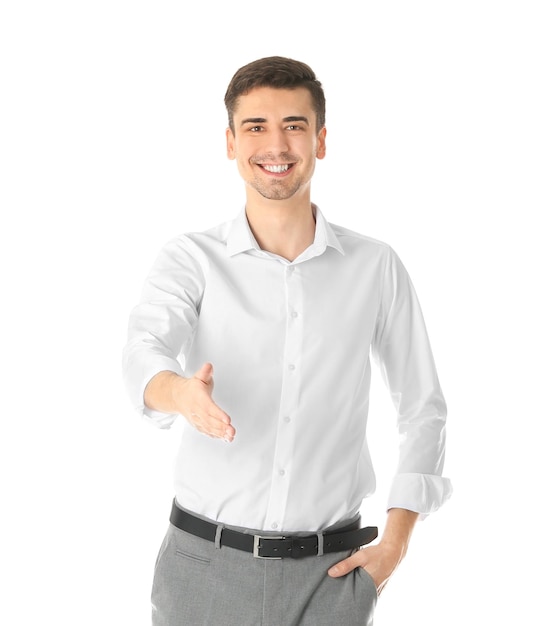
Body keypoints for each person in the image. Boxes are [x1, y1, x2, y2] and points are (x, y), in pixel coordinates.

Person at [122, 56, 452, 626]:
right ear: (230, 142)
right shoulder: (190, 258)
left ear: (320, 141)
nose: (276, 144)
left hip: (332, 577)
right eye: (256, 127)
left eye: (294, 125)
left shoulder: (375, 266)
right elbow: (143, 349)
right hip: (202, 569)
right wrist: (180, 393)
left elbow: (423, 409)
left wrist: (394, 546)